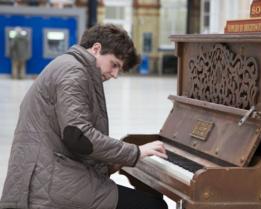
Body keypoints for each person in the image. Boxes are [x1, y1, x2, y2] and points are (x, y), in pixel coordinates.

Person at [0, 24, 168, 209]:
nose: (115, 74)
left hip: (47, 174)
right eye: (114, 65)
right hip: (49, 184)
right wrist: (135, 152)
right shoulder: (74, 72)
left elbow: (72, 136)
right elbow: (78, 136)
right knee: (152, 206)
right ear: (96, 49)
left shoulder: (70, 65)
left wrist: (112, 162)